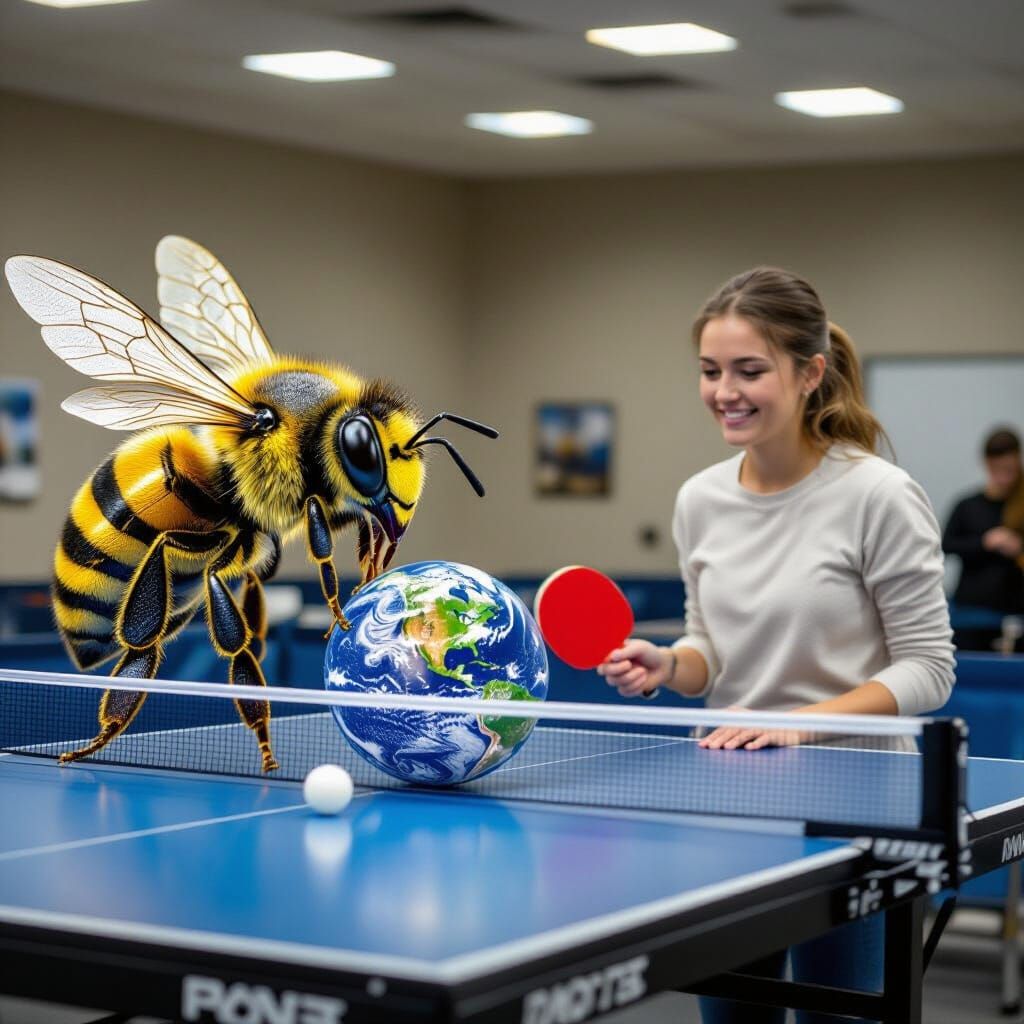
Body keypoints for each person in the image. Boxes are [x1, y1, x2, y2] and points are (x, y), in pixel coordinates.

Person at [598, 266, 955, 1024]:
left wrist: (806, 721)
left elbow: (929, 668)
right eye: (710, 371)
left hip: (861, 808)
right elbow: (711, 652)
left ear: (810, 373)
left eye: (749, 370)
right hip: (731, 805)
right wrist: (671, 665)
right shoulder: (700, 499)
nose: (725, 390)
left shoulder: (879, 496)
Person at [942, 428, 1024, 652]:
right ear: (987, 464)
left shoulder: (1020, 504)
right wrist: (985, 542)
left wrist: (1018, 547)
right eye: (998, 468)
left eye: (1009, 469)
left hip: (1015, 613)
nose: (1004, 476)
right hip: (971, 615)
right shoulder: (967, 505)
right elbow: (945, 545)